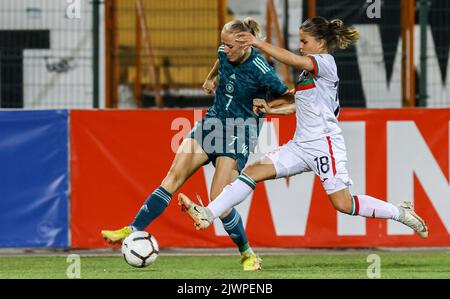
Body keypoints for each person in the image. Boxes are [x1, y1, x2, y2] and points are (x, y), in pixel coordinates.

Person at [178, 17, 428, 240]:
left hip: (324, 144)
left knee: (343, 204)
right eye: (300, 41)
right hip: (300, 145)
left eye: (304, 41)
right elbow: (298, 104)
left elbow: (293, 59)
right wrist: (272, 110)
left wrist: (258, 44)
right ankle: (207, 214)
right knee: (252, 171)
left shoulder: (326, 62)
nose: (301, 45)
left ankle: (400, 212)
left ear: (319, 43)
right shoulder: (308, 75)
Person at [101, 18, 290, 271]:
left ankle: (248, 254)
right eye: (222, 44)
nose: (225, 49)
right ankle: (132, 229)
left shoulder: (261, 69)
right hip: (212, 122)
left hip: (240, 131)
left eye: (230, 45)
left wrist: (269, 108)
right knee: (172, 176)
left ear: (245, 44)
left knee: (218, 199)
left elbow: (287, 96)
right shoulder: (225, 53)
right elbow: (220, 59)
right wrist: (211, 78)